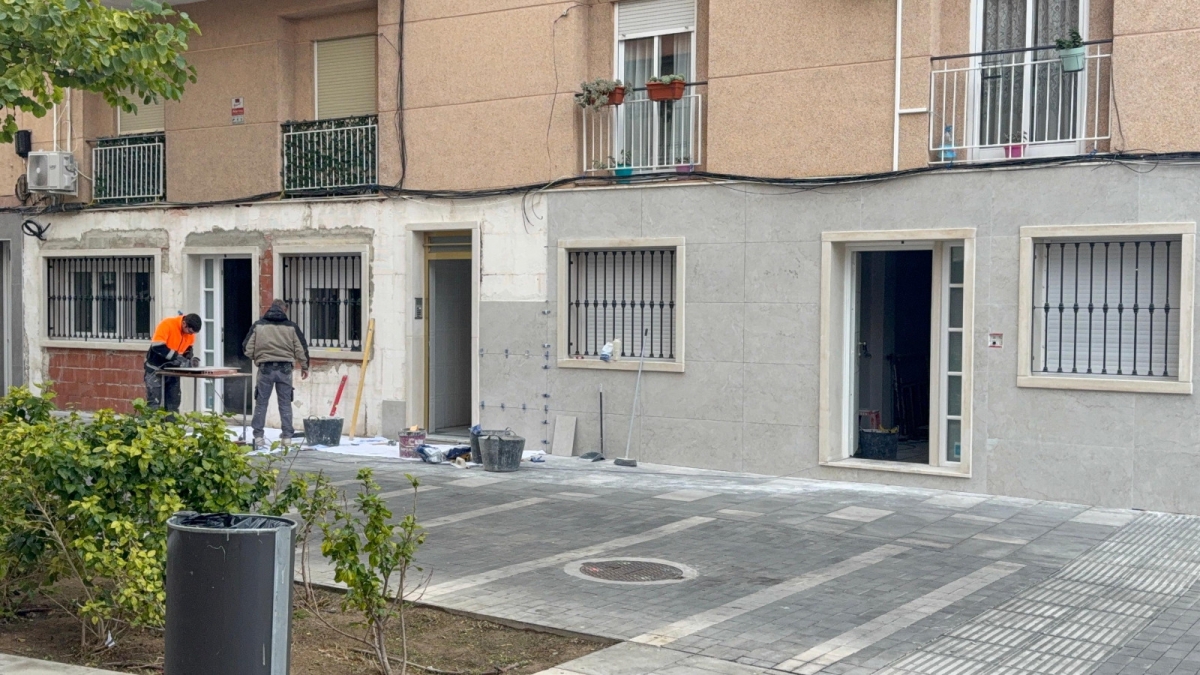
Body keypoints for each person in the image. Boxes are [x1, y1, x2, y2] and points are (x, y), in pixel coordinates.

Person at [243, 299, 310, 447]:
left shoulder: (258, 326)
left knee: (261, 404)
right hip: (285, 369)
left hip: (265, 368)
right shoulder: (291, 327)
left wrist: (259, 358)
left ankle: (258, 438)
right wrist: (305, 367)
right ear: (284, 309)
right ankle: (286, 438)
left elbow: (247, 348)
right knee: (285, 404)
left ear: (270, 308)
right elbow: (301, 348)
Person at [145, 313, 202, 413]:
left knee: (173, 402)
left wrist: (188, 358)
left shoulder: (191, 335)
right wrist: (177, 357)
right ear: (184, 324)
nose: (190, 334)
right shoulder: (167, 324)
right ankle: (152, 423)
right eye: (190, 331)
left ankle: (172, 422)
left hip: (172, 370)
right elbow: (157, 346)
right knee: (154, 402)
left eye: (193, 333)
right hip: (155, 368)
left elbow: (187, 349)